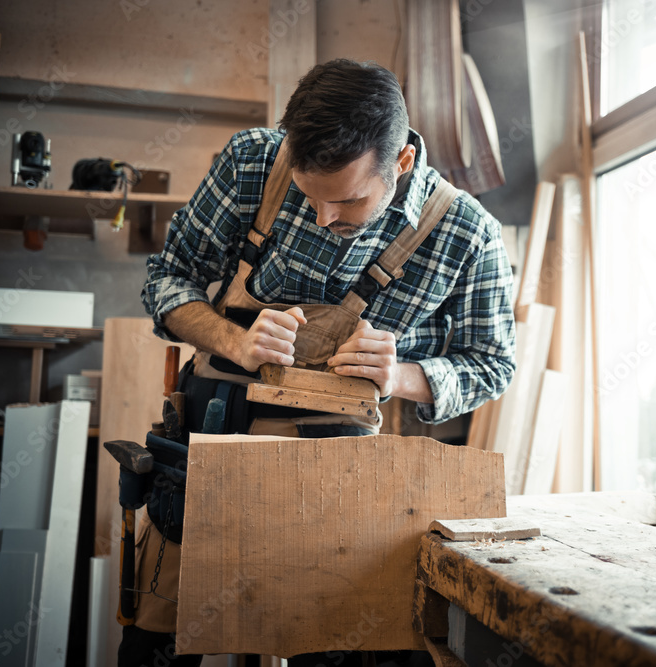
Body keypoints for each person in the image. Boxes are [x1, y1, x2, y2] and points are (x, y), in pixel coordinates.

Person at [128, 59, 516, 666]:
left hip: (338, 482)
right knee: (159, 639)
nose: (322, 218)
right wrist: (234, 342)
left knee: (327, 643)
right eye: (309, 197)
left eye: (347, 201)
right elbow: (167, 279)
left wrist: (402, 376)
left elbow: (491, 364)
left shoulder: (467, 233)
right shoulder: (252, 161)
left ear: (402, 164)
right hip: (207, 449)